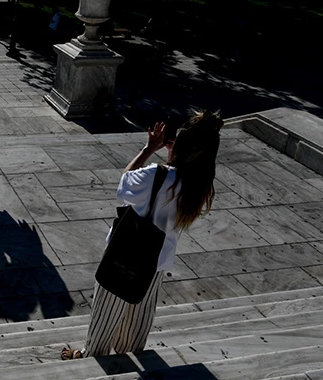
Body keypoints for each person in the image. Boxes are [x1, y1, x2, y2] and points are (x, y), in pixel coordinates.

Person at [61, 109, 223, 360]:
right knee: (137, 315)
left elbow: (124, 183)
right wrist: (175, 158)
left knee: (106, 313)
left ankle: (92, 356)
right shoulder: (200, 184)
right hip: (157, 260)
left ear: (179, 146)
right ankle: (130, 353)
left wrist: (148, 150)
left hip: (124, 252)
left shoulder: (157, 174)